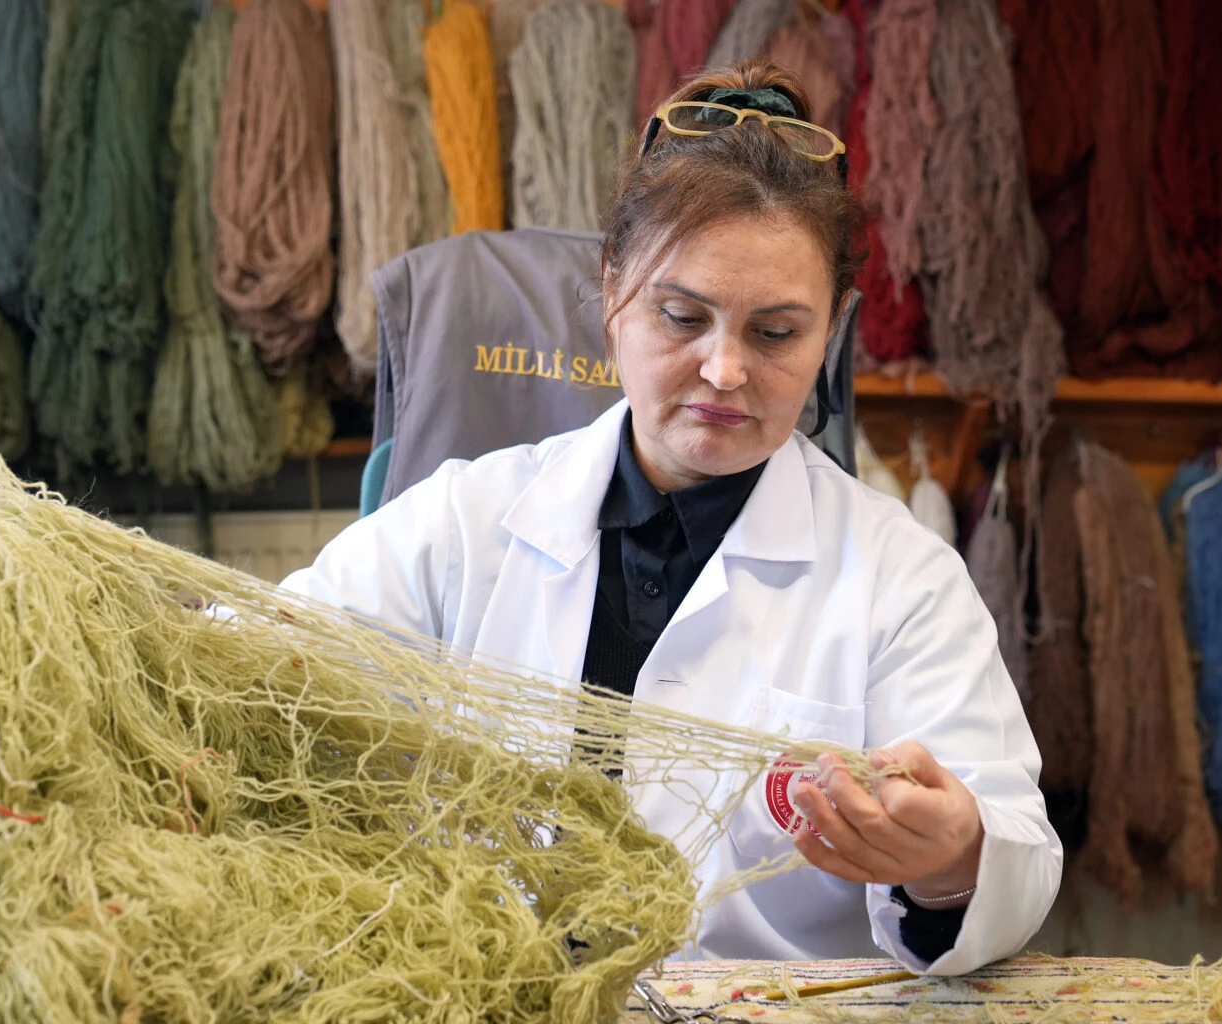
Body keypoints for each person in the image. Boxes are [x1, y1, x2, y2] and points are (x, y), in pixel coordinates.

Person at [282, 62, 1061, 976]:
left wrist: (948, 864)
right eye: (681, 316)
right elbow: (263, 660)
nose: (725, 371)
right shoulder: (462, 521)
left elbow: (1011, 852)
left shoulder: (900, 578)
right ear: (613, 292)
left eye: (775, 334)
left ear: (834, 327)